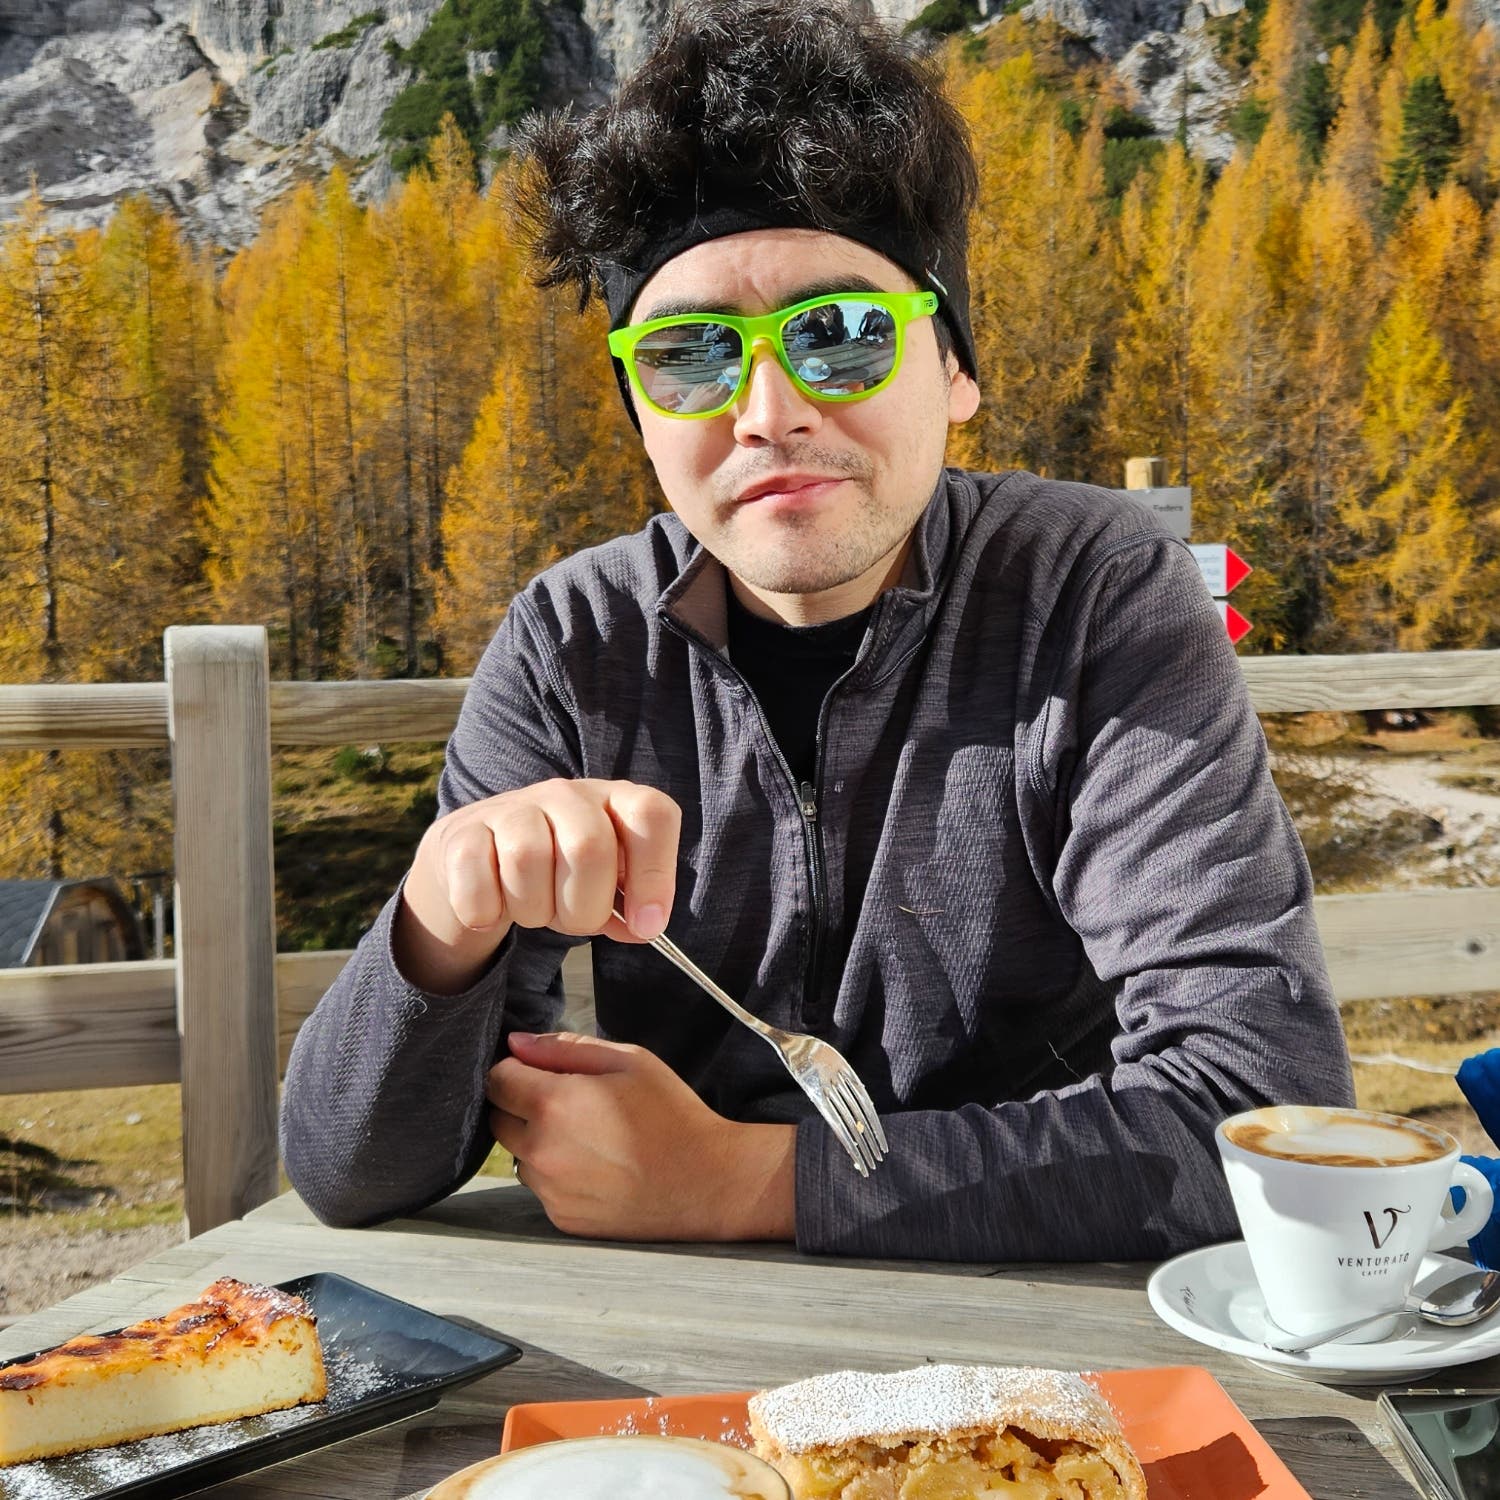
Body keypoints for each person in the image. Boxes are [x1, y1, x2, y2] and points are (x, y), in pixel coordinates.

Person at [280, 0, 1354, 1261]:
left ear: (954, 368)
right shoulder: (574, 645)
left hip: (1057, 1338)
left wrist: (751, 1181)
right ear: (640, 409)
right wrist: (438, 929)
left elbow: (1263, 1113)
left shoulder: (1088, 589)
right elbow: (354, 1176)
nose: (766, 411)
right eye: (691, 356)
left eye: (838, 336)